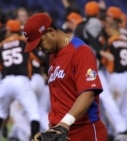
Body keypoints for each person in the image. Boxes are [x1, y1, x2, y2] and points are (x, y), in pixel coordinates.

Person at [23, 13, 107, 141]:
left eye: (40, 43)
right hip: (61, 132)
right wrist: (54, 126)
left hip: (85, 131)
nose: (39, 49)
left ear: (51, 32)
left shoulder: (81, 51)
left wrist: (64, 123)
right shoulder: (53, 55)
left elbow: (88, 93)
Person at [0, 19, 40, 141]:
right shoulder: (24, 42)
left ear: (8, 30)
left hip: (5, 82)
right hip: (21, 81)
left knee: (0, 113)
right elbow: (39, 59)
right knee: (34, 113)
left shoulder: (1, 45)